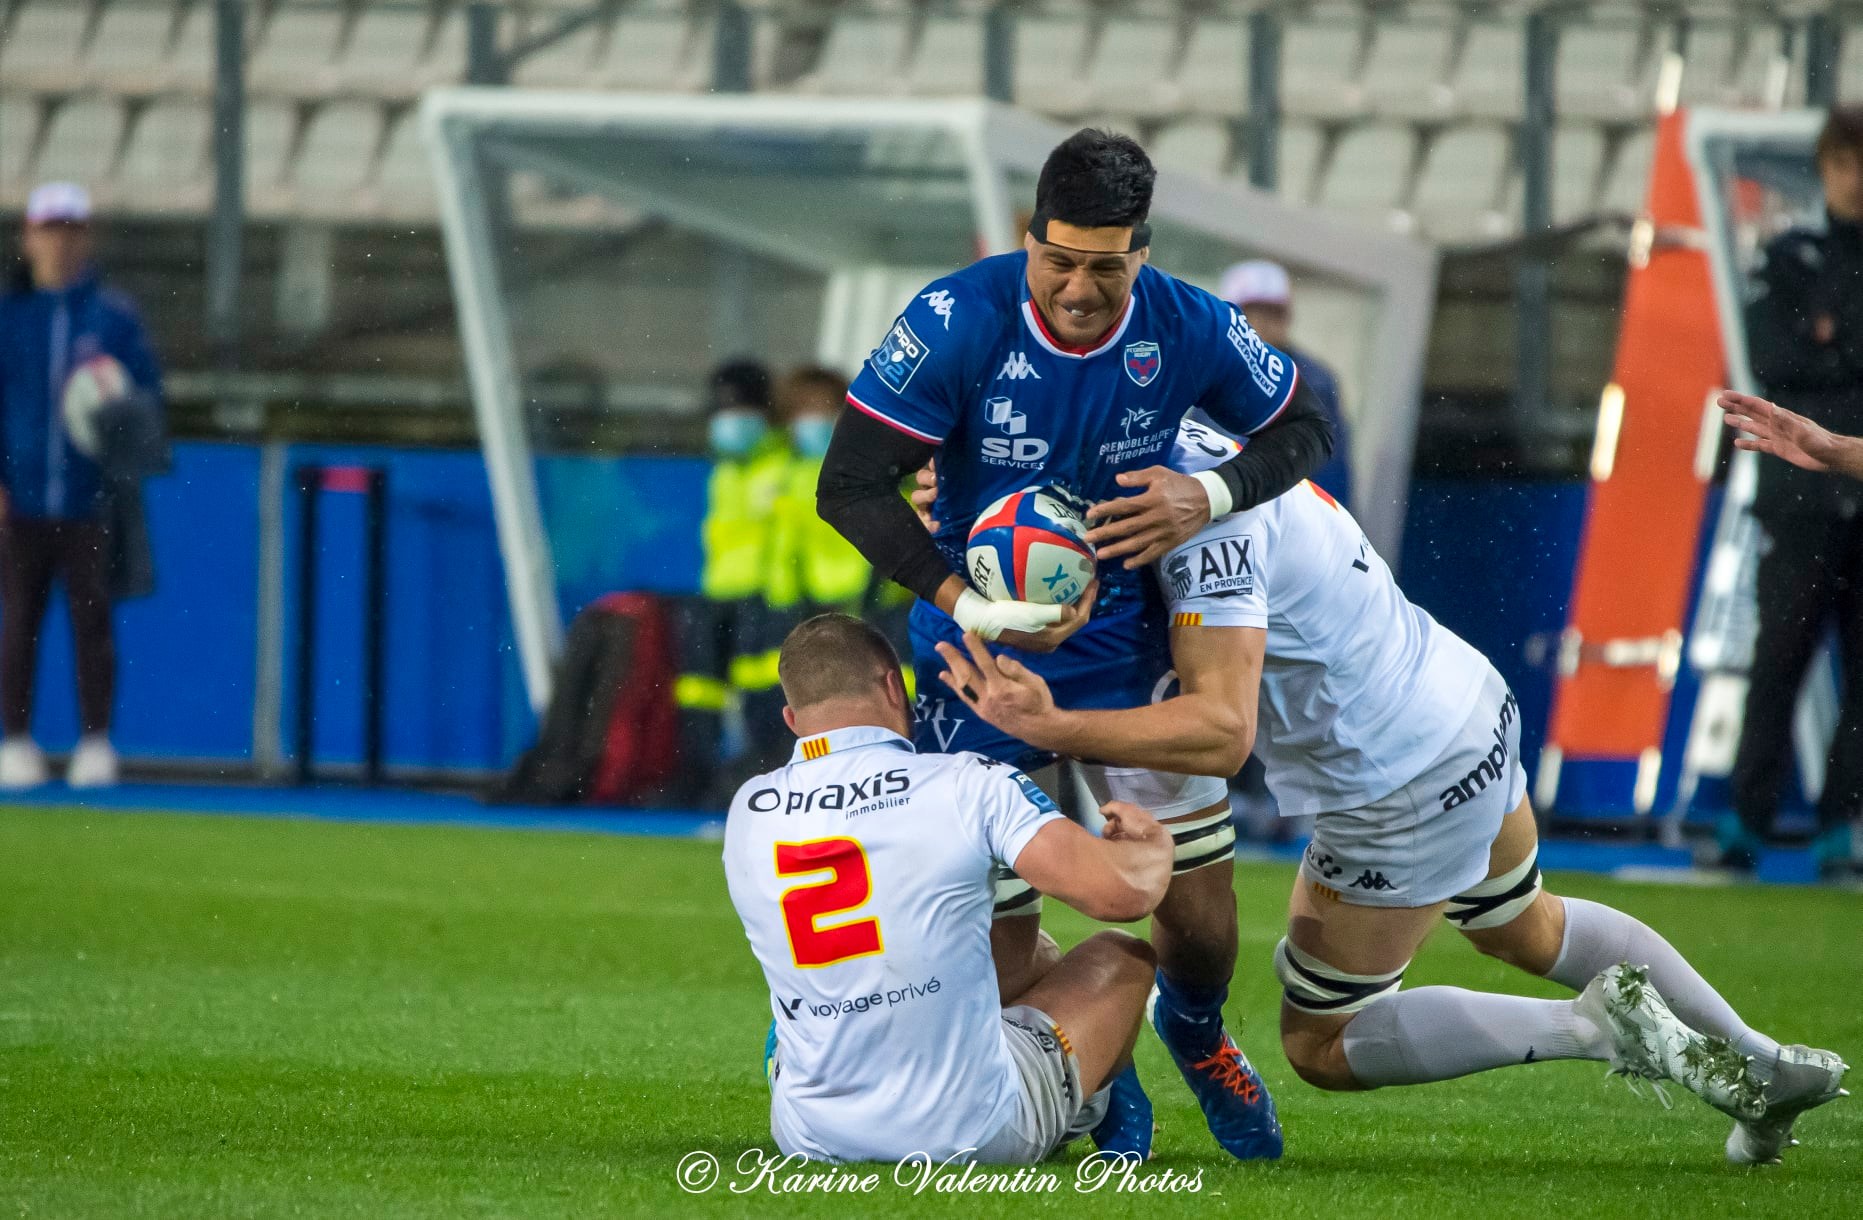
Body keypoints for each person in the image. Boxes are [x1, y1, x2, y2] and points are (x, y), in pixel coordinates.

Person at [936, 417, 1850, 1168]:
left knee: (1322, 1043)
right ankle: (1766, 1070)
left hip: (1395, 785)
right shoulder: (1190, 447)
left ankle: (1590, 1028)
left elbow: (1222, 734)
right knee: (1519, 921)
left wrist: (1052, 730)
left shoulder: (1202, 526)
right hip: (1459, 700)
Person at [816, 128, 1335, 1159]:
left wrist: (1210, 491)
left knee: (1200, 912)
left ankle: (1193, 1029)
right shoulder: (956, 317)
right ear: (1028, 239)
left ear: (1143, 249)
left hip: (1121, 653)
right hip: (977, 658)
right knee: (994, 935)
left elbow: (1301, 426)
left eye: (1106, 266)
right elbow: (849, 484)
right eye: (1058, 261)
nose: (1079, 288)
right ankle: (1097, 1082)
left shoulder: (1189, 326)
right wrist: (962, 595)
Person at [722, 613, 1172, 1164]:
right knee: (1121, 956)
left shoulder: (750, 807)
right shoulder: (966, 782)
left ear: (792, 718)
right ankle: (1103, 1108)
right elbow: (1120, 896)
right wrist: (1152, 846)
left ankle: (788, 1055)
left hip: (810, 1134)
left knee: (1033, 955)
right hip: (975, 1131)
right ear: (895, 685)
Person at [1720, 107, 1863, 877]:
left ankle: (1839, 829)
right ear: (1824, 166)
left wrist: (1828, 340)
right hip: (1799, 502)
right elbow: (1770, 358)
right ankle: (1746, 821)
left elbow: (1803, 353)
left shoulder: (1794, 266)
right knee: (1777, 659)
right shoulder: (1789, 254)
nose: (1856, 177)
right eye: (1845, 161)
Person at [0, 182, 163, 790]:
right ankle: (15, 741)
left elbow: (147, 397)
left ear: (86, 236)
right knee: (20, 621)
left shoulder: (113, 317)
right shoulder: (11, 316)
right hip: (21, 498)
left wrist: (115, 420)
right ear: (30, 235)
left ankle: (95, 742)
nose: (60, 241)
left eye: (71, 229)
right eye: (50, 228)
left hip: (91, 498)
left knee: (93, 620)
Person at [672, 360, 790, 805]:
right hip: (718, 593)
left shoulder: (785, 461)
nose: (730, 419)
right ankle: (696, 779)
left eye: (740, 407)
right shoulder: (725, 469)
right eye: (721, 408)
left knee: (765, 696)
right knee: (699, 692)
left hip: (764, 597)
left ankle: (764, 779)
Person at [1219, 259, 1352, 508]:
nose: (1266, 323)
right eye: (1254, 311)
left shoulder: (1315, 381)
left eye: (1275, 312)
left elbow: (1331, 475)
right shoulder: (1211, 368)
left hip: (1287, 517)